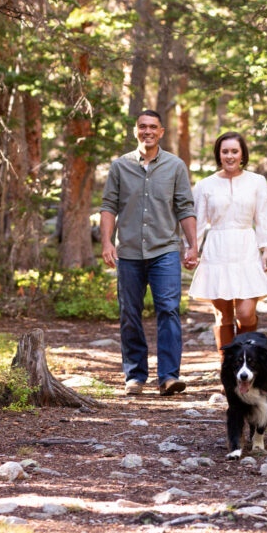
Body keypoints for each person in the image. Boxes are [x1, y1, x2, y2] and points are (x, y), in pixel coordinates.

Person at [100, 110, 199, 396]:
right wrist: (106, 242)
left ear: (161, 131)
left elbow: (185, 207)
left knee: (168, 310)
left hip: (164, 250)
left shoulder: (175, 166)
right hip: (129, 252)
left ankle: (169, 376)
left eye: (153, 127)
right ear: (135, 131)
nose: (148, 131)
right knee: (130, 313)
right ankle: (135, 376)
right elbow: (108, 206)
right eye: (142, 126)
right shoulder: (120, 166)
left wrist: (192, 245)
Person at [188, 131, 267, 357]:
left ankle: (247, 358)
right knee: (223, 316)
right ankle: (227, 367)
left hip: (247, 248)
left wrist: (266, 248)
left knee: (245, 313)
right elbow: (197, 221)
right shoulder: (205, 185)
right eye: (225, 151)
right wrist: (192, 250)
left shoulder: (257, 181)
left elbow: (264, 217)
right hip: (217, 250)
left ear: (242, 154)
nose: (229, 156)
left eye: (234, 151)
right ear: (218, 154)